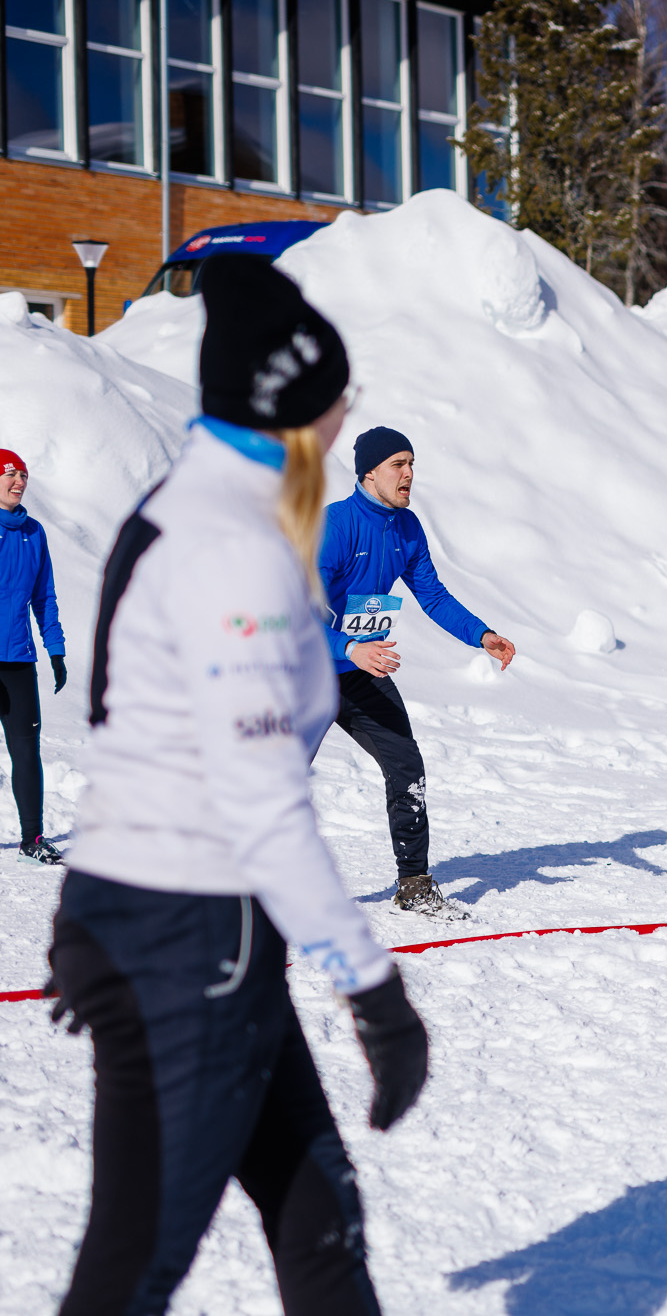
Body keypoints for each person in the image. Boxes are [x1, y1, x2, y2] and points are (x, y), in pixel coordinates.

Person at [43, 255, 428, 1315]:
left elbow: (138, 730)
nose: (345, 422)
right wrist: (374, 991)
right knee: (133, 1268)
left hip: (176, 926)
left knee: (318, 1218)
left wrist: (96, 916)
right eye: (337, 400)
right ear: (289, 405)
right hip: (192, 936)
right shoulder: (233, 547)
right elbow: (261, 801)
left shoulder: (191, 508)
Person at [319, 425, 515, 919]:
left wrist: (481, 635)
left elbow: (433, 595)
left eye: (412, 464)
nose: (409, 474)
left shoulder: (406, 528)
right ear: (369, 472)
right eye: (398, 465)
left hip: (360, 670)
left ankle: (414, 885)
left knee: (406, 767)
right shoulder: (334, 525)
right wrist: (348, 647)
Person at [0, 447, 66, 863]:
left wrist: (55, 650)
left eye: (24, 475)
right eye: (10, 473)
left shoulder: (34, 532)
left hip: (19, 661)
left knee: (26, 751)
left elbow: (44, 597)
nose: (19, 481)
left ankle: (32, 838)